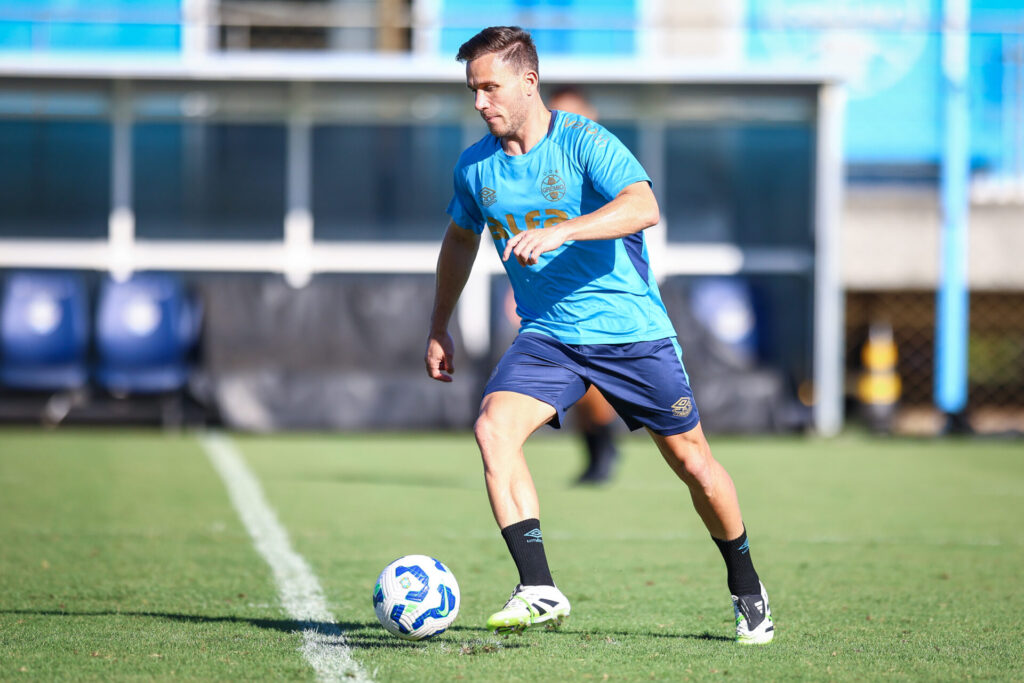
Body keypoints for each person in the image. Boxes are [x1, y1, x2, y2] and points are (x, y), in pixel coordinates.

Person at [424, 26, 774, 644]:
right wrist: (439, 324)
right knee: (492, 428)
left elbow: (643, 206)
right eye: (473, 90)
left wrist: (566, 229)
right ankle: (538, 587)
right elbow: (459, 240)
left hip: (631, 334)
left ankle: (747, 586)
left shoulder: (584, 141)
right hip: (549, 336)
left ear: (528, 82)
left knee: (693, 463)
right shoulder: (475, 166)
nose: (480, 102)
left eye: (490, 87)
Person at [547, 85, 622, 485]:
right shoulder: (544, 169)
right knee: (575, 383)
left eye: (575, 116)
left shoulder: (606, 163)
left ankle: (605, 449)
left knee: (594, 382)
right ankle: (598, 454)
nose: (567, 126)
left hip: (607, 296)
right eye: (558, 116)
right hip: (556, 297)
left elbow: (638, 210)